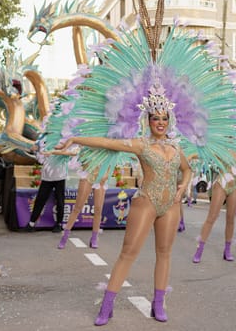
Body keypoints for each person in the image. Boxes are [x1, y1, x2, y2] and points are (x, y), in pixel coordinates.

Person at [54, 96, 191, 325]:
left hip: (171, 206)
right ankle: (107, 305)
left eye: (164, 118)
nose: (161, 122)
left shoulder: (176, 147)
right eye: (156, 118)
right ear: (148, 121)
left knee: (164, 253)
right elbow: (107, 143)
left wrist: (183, 186)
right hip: (147, 201)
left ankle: (158, 304)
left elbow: (187, 169)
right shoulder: (140, 144)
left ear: (170, 120)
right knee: (128, 254)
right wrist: (75, 138)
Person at [192, 160, 236, 263]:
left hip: (235, 186)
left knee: (230, 219)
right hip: (222, 184)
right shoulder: (222, 144)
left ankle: (227, 250)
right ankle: (199, 249)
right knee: (211, 217)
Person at [24, 141, 76, 233]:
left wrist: (53, 151)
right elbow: (38, 154)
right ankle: (31, 223)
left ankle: (59, 224)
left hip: (60, 176)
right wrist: (34, 149)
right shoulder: (44, 140)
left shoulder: (64, 140)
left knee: (60, 201)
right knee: (40, 200)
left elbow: (71, 153)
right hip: (46, 177)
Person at [56, 171, 109, 249]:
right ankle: (65, 236)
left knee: (98, 209)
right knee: (77, 207)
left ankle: (94, 238)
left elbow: (112, 162)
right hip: (88, 175)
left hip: (101, 177)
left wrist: (106, 175)